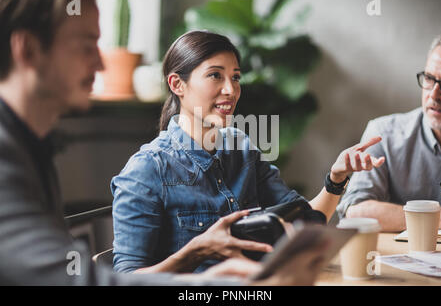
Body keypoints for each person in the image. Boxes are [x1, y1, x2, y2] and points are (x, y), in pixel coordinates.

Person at [0, 0, 333, 286]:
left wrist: (336, 182)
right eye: (87, 45)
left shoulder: (33, 149)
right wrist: (207, 274)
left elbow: (301, 215)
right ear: (27, 49)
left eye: (235, 77)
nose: (102, 64)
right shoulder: (9, 157)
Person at [111, 30, 385, 274]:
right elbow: (126, 279)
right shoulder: (146, 170)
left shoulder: (241, 149)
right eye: (215, 75)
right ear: (177, 84)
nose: (231, 90)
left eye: (236, 77)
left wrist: (336, 179)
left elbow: (306, 220)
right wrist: (196, 251)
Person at [337, 32, 441, 232]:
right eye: (429, 78)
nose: (434, 94)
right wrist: (440, 218)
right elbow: (354, 210)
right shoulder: (385, 134)